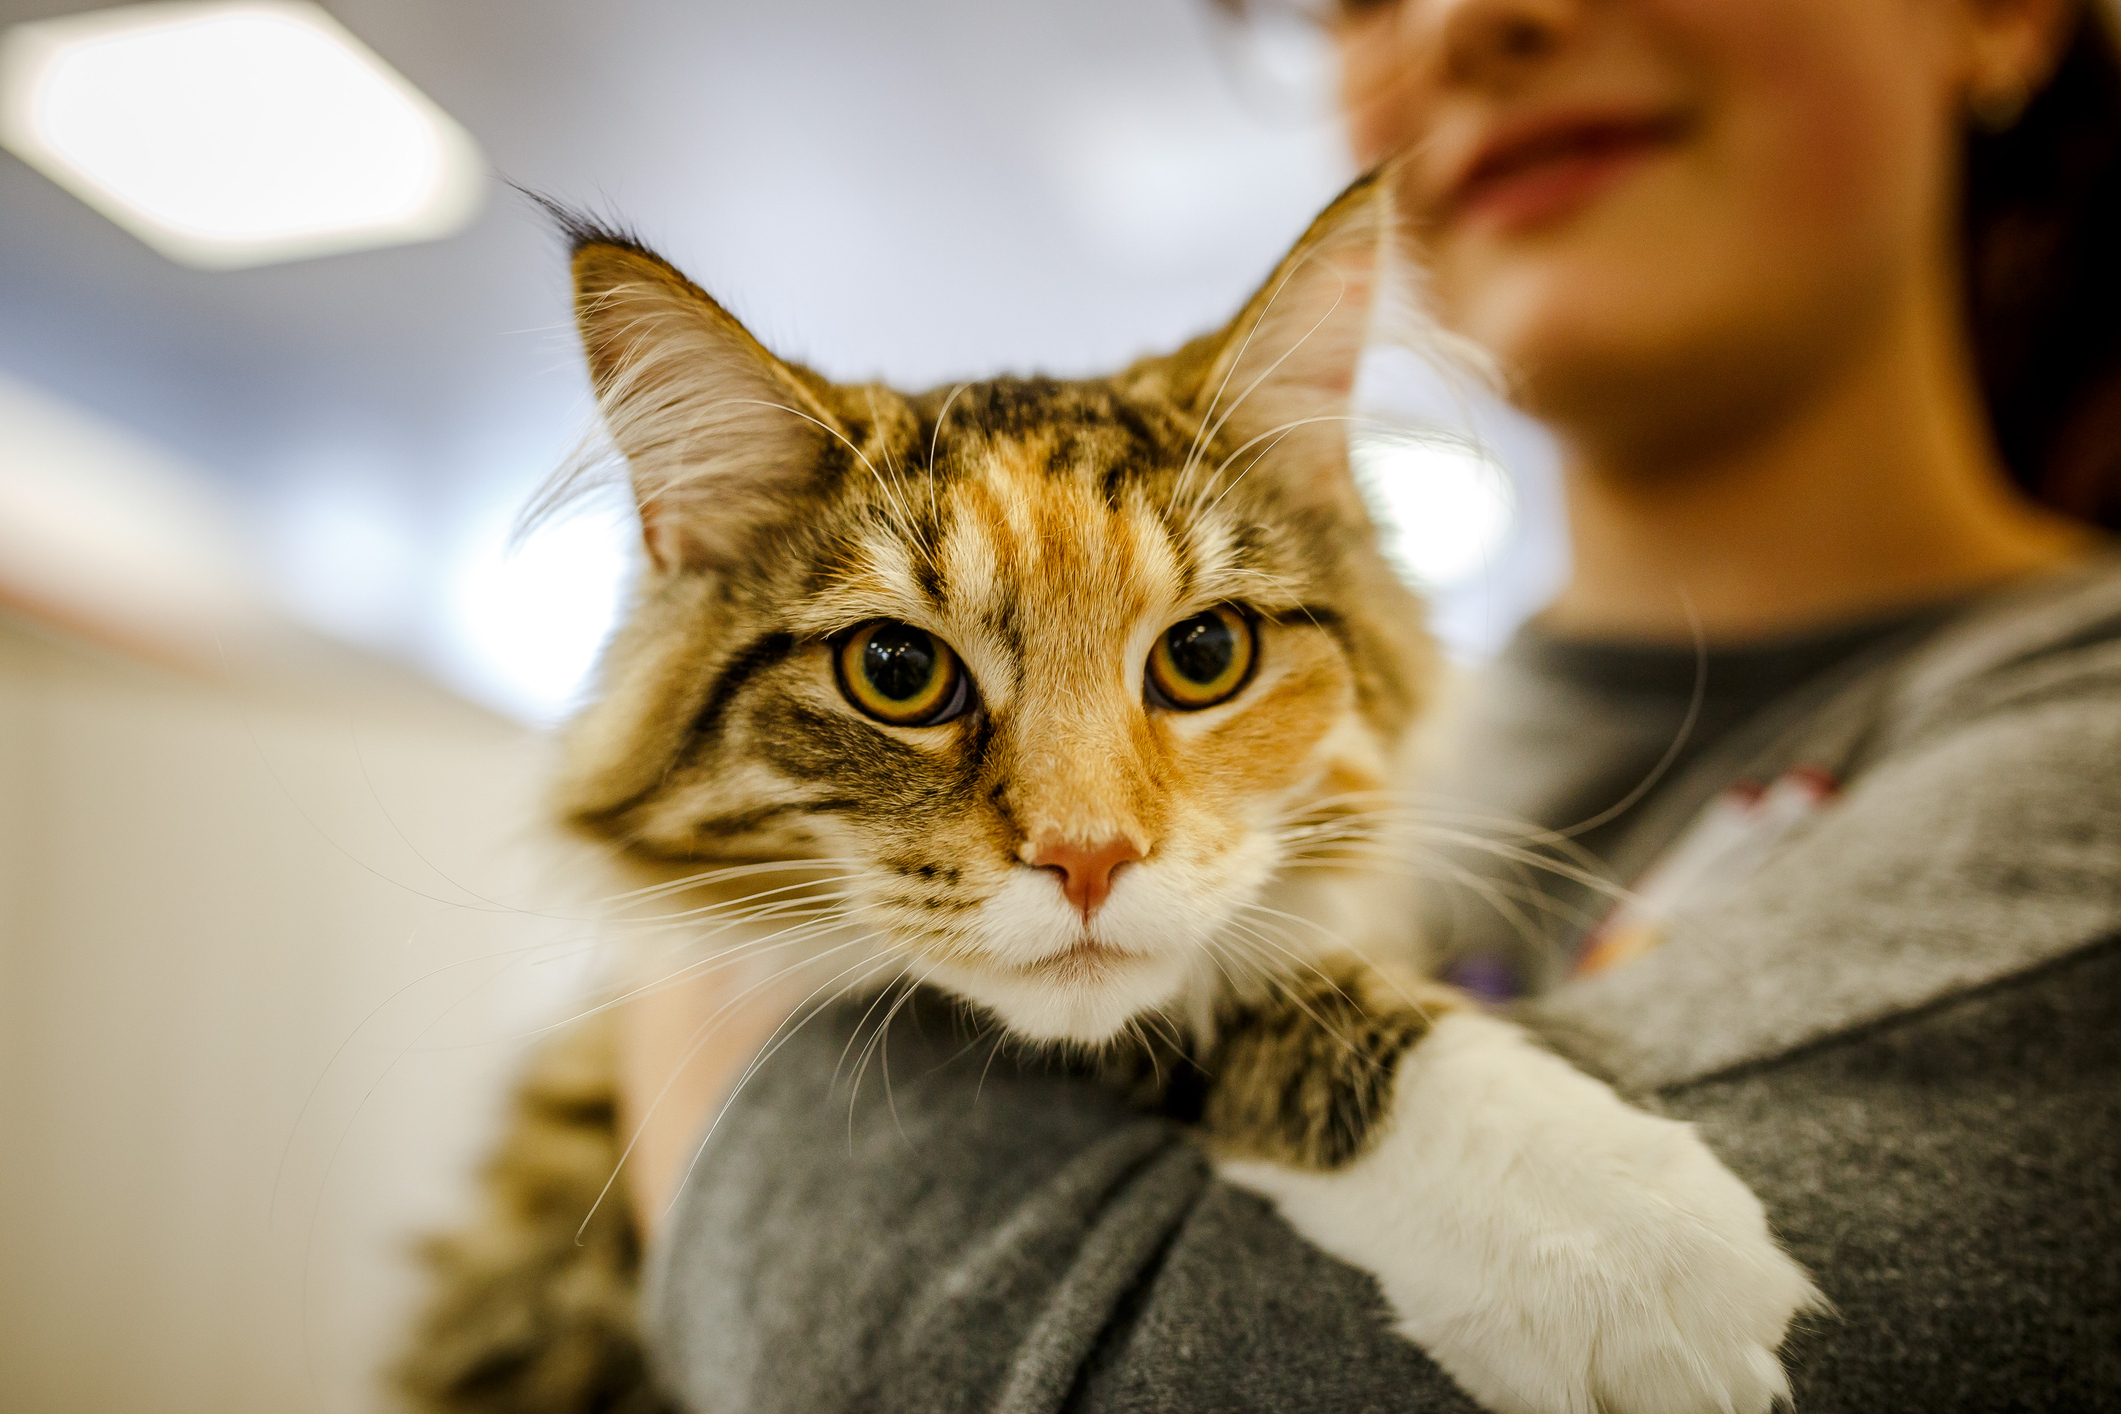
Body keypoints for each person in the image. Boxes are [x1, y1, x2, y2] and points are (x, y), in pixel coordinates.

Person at [622, 1, 2121, 1408]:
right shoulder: (1374, 743)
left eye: (1197, 656)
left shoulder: (2078, 741)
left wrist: (717, 1095)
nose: (1462, 17)